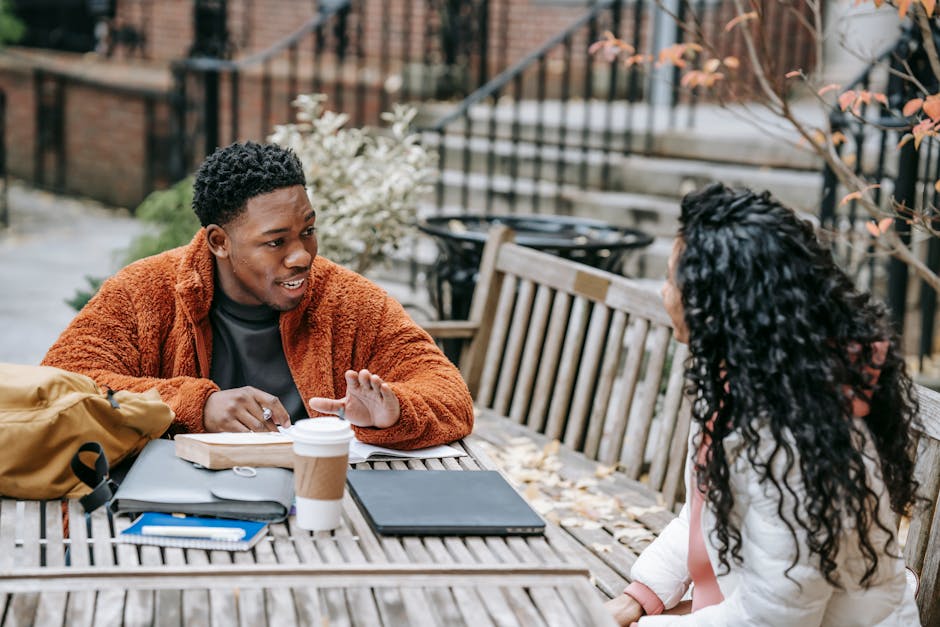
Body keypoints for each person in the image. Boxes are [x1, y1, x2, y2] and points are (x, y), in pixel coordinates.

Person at [605, 183, 921, 625]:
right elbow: (701, 519)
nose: (663, 292)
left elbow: (773, 617)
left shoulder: (802, 436)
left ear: (719, 304)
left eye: (672, 278)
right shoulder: (746, 384)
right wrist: (638, 598)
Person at [43, 141, 474, 450]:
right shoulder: (143, 292)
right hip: (174, 505)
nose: (301, 256)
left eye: (308, 231)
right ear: (218, 241)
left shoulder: (350, 301)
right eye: (275, 242)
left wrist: (394, 411)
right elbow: (59, 384)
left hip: (316, 507)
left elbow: (451, 397)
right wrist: (198, 405)